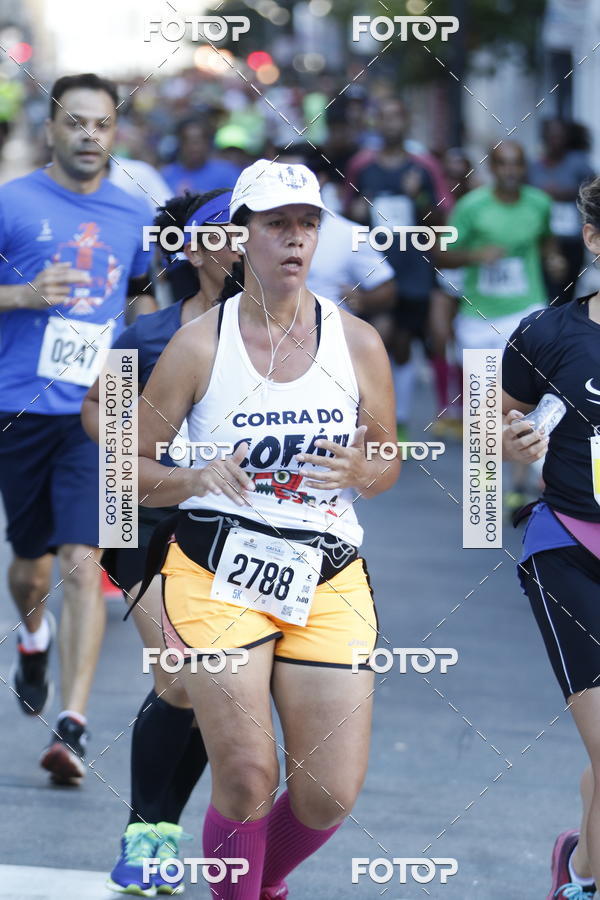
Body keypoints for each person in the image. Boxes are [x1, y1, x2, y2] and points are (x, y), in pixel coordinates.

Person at [135, 159, 400, 898]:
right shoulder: (197, 346)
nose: (295, 239)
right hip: (216, 571)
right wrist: (194, 478)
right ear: (241, 235)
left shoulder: (357, 342)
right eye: (277, 224)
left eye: (308, 224)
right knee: (249, 773)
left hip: (327, 573)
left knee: (328, 793)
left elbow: (386, 461)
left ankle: (260, 882)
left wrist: (365, 469)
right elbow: (129, 464)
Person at [82, 188, 239, 895]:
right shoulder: (150, 336)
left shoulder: (296, 340)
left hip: (245, 532)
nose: (243, 245)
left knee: (212, 686)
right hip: (148, 522)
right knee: (179, 673)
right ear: (195, 250)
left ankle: (162, 830)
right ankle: (145, 833)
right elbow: (98, 408)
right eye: (227, 233)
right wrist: (137, 456)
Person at [0, 73, 152, 783]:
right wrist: (21, 295)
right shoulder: (13, 202)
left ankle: (73, 724)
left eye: (103, 124)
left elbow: (143, 299)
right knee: (30, 567)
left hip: (104, 403)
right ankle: (33, 635)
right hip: (20, 403)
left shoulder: (134, 212)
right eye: (76, 122)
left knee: (84, 561)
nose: (90, 135)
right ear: (52, 129)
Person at [501, 176, 600, 899]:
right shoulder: (548, 333)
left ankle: (580, 869)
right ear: (593, 238)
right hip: (569, 546)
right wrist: (510, 444)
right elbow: (489, 425)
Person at [440, 140, 566, 512]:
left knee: (529, 401)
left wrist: (553, 259)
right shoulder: (471, 207)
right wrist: (476, 254)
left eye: (517, 164)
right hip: (480, 319)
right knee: (483, 410)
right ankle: (484, 492)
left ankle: (522, 485)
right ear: (492, 168)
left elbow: (547, 242)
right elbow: (442, 255)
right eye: (503, 164)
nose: (510, 171)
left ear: (524, 168)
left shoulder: (538, 204)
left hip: (527, 313)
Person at [347, 97, 439, 440]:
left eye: (396, 117)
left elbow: (439, 218)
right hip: (375, 265)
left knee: (403, 345)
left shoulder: (423, 167)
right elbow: (349, 212)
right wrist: (357, 211)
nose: (391, 124)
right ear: (377, 123)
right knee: (378, 339)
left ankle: (399, 420)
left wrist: (419, 198)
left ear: (406, 122)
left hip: (413, 266)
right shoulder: (362, 166)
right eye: (384, 118)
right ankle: (372, 420)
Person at [529, 118, 594, 305]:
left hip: (572, 238)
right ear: (544, 138)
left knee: (567, 290)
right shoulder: (534, 167)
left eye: (559, 136)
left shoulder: (579, 164)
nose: (555, 141)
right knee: (545, 288)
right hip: (543, 238)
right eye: (551, 136)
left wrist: (569, 193)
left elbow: (593, 192)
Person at [161, 116, 243, 196]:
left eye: (199, 141)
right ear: (180, 143)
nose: (194, 148)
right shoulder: (167, 175)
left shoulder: (226, 173)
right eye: (188, 141)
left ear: (208, 143)